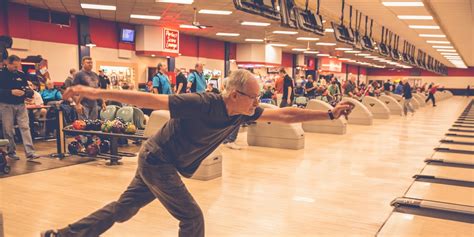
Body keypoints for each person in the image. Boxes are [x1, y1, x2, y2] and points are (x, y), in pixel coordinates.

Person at [41, 69, 354, 237]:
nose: (257, 102)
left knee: (123, 211)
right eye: (254, 96)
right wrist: (96, 92)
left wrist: (327, 115)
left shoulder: (242, 112)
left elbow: (285, 114)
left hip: (162, 162)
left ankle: (66, 236)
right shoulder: (203, 103)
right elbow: (153, 101)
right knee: (192, 217)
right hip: (157, 160)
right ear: (235, 94)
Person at [0, 55, 39, 161]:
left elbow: (28, 89)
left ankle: (30, 153)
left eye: (18, 66)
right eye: (15, 66)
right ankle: (11, 152)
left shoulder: (21, 75)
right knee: (8, 130)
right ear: (8, 63)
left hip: (21, 105)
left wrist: (27, 93)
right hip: (6, 105)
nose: (17, 69)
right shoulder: (1, 74)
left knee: (25, 127)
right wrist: (11, 92)